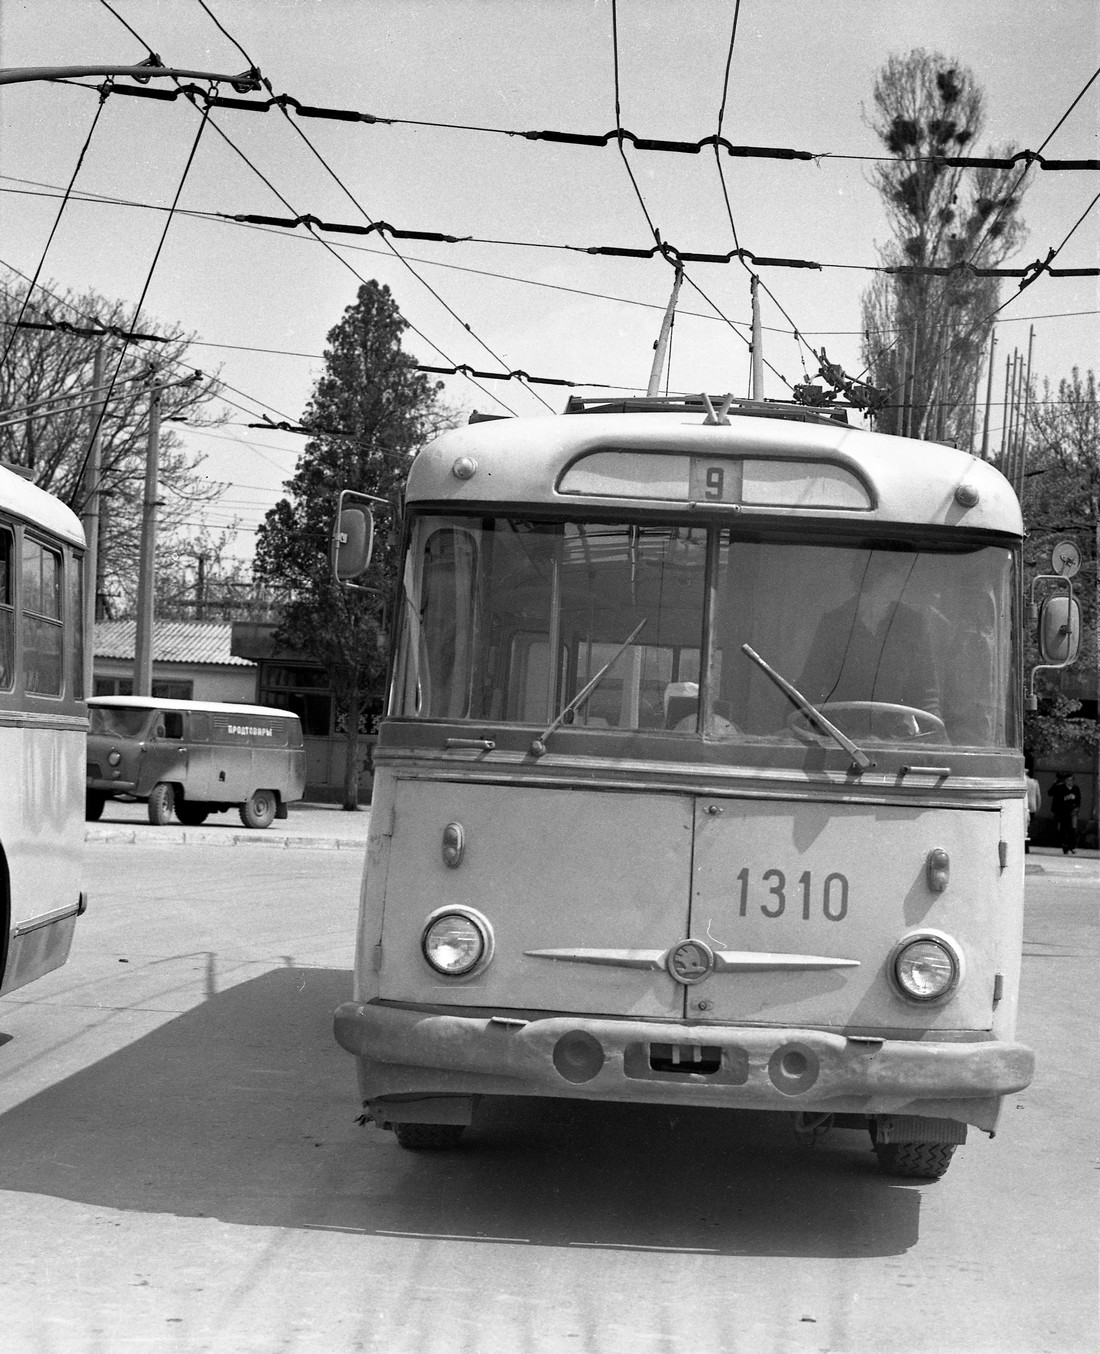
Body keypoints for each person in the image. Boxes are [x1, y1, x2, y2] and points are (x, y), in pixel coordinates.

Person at [799, 551, 940, 737]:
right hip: (841, 740)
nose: (901, 580)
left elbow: (926, 695)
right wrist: (798, 733)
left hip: (896, 742)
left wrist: (940, 744)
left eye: (902, 573)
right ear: (871, 574)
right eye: (894, 571)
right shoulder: (835, 623)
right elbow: (810, 687)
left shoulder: (912, 625)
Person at [1049, 773, 1082, 855]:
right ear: (1065, 781)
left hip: (1073, 811)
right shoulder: (1061, 788)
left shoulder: (1075, 788)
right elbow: (1052, 794)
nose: (1070, 782)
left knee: (1073, 829)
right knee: (1064, 829)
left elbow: (1078, 799)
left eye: (1071, 780)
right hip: (1063, 812)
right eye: (1068, 780)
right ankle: (1065, 846)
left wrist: (1077, 808)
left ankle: (1073, 846)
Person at [1024, 765, 1041, 854]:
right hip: (1032, 806)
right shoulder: (1034, 782)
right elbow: (1038, 796)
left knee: (1023, 825)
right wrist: (1038, 807)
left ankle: (1024, 846)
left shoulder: (1023, 782)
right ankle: (1027, 847)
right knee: (1029, 826)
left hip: (1024, 806)